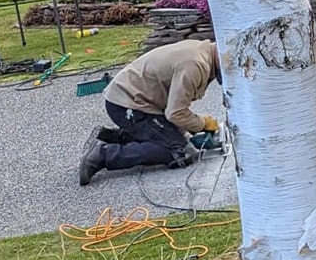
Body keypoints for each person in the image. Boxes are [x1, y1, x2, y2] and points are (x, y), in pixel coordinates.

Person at [79, 38, 222, 185]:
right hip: (127, 105)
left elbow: (173, 110)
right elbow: (175, 113)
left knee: (175, 137)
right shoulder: (195, 65)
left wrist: (189, 129)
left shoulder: (202, 51)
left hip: (134, 101)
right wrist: (202, 124)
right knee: (179, 151)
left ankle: (109, 137)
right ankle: (101, 155)